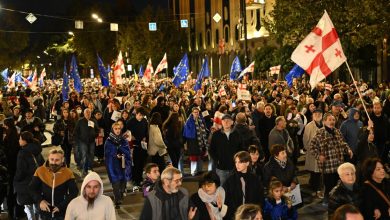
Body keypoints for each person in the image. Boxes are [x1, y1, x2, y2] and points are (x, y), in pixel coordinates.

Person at [310, 113, 353, 205]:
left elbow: (343, 143)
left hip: (339, 164)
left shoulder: (337, 131)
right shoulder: (320, 133)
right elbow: (312, 147)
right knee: (329, 185)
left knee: (338, 184)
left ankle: (337, 199)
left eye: (333, 120)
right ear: (324, 121)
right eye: (329, 120)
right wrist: (318, 156)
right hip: (328, 165)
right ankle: (327, 199)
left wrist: (348, 150)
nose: (332, 121)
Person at [30, 149, 78, 220]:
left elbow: (74, 192)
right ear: (48, 158)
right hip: (44, 212)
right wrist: (40, 201)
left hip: (61, 212)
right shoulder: (40, 171)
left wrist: (61, 206)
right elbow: (32, 188)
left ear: (62, 160)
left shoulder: (68, 173)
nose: (54, 162)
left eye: (57, 160)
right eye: (52, 159)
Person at [223, 151, 264, 220]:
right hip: (234, 216)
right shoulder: (230, 180)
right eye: (236, 162)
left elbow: (260, 197)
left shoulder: (255, 179)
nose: (237, 165)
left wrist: (254, 212)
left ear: (247, 163)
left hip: (251, 215)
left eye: (240, 162)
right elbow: (226, 200)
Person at [14, 131, 44, 220]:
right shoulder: (37, 149)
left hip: (26, 184)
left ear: (25, 141)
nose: (19, 141)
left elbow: (20, 172)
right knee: (37, 205)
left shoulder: (22, 153)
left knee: (28, 207)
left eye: (20, 139)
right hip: (37, 182)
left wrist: (15, 180)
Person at [209, 114, 243, 185]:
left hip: (235, 166)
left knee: (234, 186)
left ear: (232, 122)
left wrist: (239, 160)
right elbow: (211, 149)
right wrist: (217, 160)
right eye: (224, 121)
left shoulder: (237, 134)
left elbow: (241, 148)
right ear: (221, 122)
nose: (226, 122)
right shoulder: (216, 135)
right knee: (223, 186)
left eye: (228, 120)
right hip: (221, 167)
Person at [104, 122, 132, 208]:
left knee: (123, 184)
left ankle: (121, 194)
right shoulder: (108, 141)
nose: (117, 130)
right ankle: (117, 200)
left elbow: (128, 152)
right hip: (113, 165)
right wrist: (115, 155)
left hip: (123, 165)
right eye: (115, 129)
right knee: (115, 184)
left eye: (119, 129)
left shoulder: (123, 140)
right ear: (113, 129)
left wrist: (122, 153)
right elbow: (107, 154)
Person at [303, 109, 323, 198]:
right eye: (316, 114)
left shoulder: (324, 124)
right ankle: (315, 189)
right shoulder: (309, 126)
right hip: (313, 152)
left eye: (319, 114)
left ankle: (316, 187)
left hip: (322, 152)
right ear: (312, 115)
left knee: (320, 172)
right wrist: (309, 150)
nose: (318, 115)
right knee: (314, 172)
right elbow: (305, 140)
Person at [126, 106, 149, 187]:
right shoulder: (131, 121)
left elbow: (146, 131)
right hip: (134, 145)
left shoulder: (144, 121)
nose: (141, 117)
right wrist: (130, 136)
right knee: (135, 163)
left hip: (142, 145)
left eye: (142, 115)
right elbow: (126, 132)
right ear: (136, 114)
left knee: (141, 162)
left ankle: (140, 178)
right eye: (139, 115)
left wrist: (145, 137)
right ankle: (135, 179)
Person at [183, 107, 208, 176]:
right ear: (192, 113)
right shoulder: (189, 121)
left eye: (197, 112)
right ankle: (193, 172)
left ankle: (199, 170)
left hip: (201, 141)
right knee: (193, 158)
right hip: (192, 142)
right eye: (195, 112)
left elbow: (205, 129)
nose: (196, 114)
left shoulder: (201, 120)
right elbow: (186, 133)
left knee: (200, 157)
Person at [73, 108, 99, 176]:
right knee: (84, 155)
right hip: (83, 141)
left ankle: (90, 167)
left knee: (91, 154)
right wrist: (79, 139)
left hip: (91, 141)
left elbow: (97, 129)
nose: (88, 114)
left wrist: (95, 135)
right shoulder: (80, 121)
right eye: (86, 113)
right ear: (84, 114)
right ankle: (84, 169)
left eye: (89, 113)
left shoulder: (93, 120)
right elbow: (76, 131)